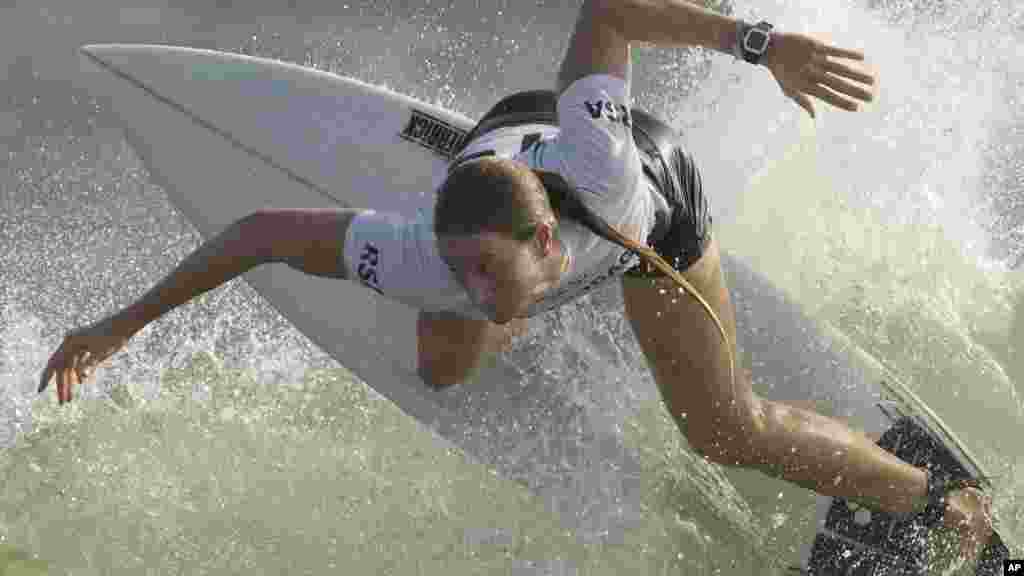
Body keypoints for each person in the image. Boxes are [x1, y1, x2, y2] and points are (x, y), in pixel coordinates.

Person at [40, 0, 995, 567]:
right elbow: (255, 233)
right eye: (460, 272)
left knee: (722, 429)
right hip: (505, 151)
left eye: (491, 277)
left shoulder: (612, 180)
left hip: (646, 213)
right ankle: (523, 307)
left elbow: (609, 9)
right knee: (444, 365)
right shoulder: (425, 256)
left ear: (544, 238)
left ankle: (935, 500)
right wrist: (116, 328)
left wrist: (759, 45)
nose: (470, 289)